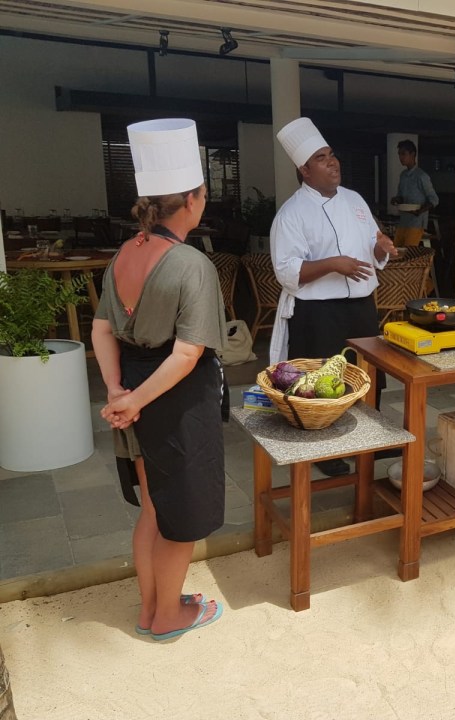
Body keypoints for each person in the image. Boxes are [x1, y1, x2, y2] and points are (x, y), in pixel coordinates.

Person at [92, 118, 228, 641]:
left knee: (154, 504)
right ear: (195, 198)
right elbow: (189, 352)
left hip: (135, 388)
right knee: (181, 513)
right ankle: (168, 616)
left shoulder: (126, 252)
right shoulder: (191, 264)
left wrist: (118, 392)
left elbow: (102, 327)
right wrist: (136, 399)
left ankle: (152, 607)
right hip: (173, 398)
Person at [270, 117, 397, 475]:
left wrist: (381, 246)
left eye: (332, 155)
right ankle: (327, 452)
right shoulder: (291, 214)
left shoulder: (354, 200)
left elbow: (373, 245)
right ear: (304, 170)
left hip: (360, 308)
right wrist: (331, 264)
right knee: (324, 386)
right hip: (318, 315)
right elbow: (287, 272)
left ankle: (368, 442)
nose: (332, 162)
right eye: (322, 158)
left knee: (368, 379)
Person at [390, 139, 439, 247]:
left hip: (416, 222)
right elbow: (401, 196)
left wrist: (421, 210)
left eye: (403, 154)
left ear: (413, 154)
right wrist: (397, 199)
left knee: (409, 253)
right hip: (403, 220)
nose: (401, 157)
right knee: (396, 250)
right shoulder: (403, 175)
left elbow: (434, 199)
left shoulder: (421, 176)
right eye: (399, 154)